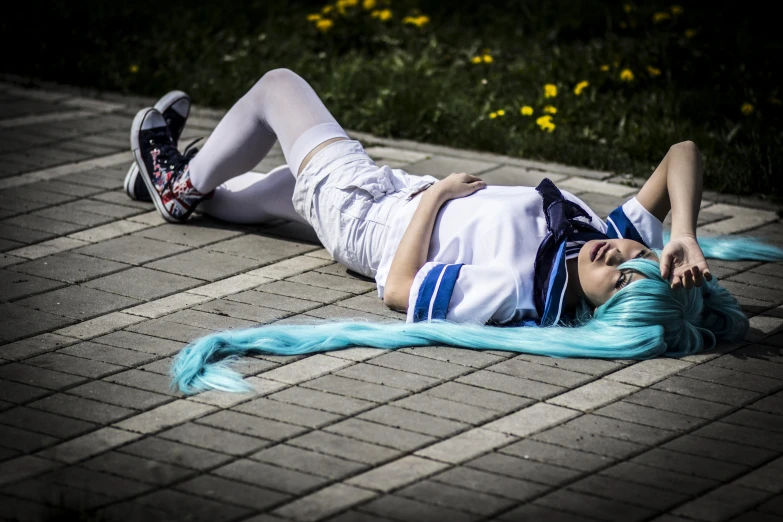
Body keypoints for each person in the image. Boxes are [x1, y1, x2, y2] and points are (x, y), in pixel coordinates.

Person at [128, 69, 783, 394]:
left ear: (599, 307)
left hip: (371, 219)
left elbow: (399, 289)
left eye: (617, 275)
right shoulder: (592, 241)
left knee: (277, 87)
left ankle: (176, 186)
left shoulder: (520, 292)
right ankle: (190, 188)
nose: (617, 252)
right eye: (637, 254)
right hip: (392, 199)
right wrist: (683, 236)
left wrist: (437, 195)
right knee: (273, 190)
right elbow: (682, 151)